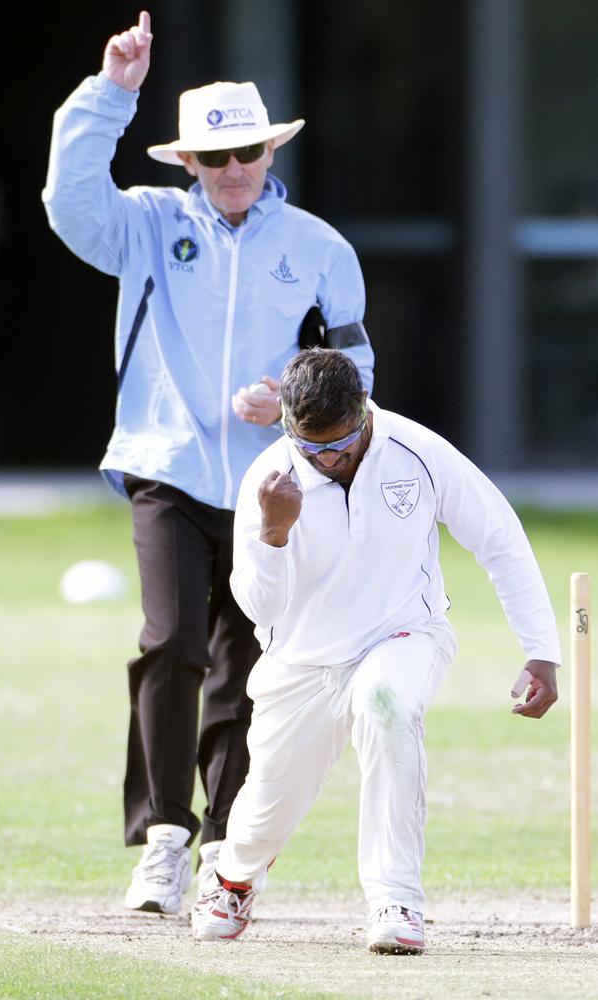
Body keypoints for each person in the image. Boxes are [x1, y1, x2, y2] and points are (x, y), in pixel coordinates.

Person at [42, 12, 374, 915]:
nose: (232, 173)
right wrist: (110, 93)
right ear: (185, 162)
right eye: (213, 159)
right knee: (170, 640)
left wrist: (296, 406)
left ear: (270, 152)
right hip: (164, 463)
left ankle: (229, 843)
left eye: (247, 155)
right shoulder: (143, 225)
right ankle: (163, 839)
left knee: (247, 661)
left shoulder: (318, 248)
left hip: (273, 481)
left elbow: (356, 370)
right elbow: (68, 200)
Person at [190, 348, 560, 953]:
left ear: (364, 412)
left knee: (387, 704)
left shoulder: (418, 450)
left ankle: (396, 900)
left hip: (404, 632)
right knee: (266, 806)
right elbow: (260, 609)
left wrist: (541, 648)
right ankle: (232, 879)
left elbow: (500, 538)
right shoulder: (268, 480)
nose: (329, 460)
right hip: (302, 658)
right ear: (287, 427)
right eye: (313, 449)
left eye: (341, 442)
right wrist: (274, 533)